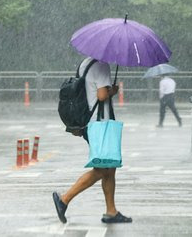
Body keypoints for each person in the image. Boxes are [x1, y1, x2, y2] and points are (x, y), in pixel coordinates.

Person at [52, 57, 132, 224]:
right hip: (100, 123)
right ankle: (64, 199)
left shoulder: (85, 63)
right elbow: (102, 95)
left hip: (89, 122)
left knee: (110, 168)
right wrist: (113, 91)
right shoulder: (102, 66)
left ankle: (111, 211)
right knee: (102, 169)